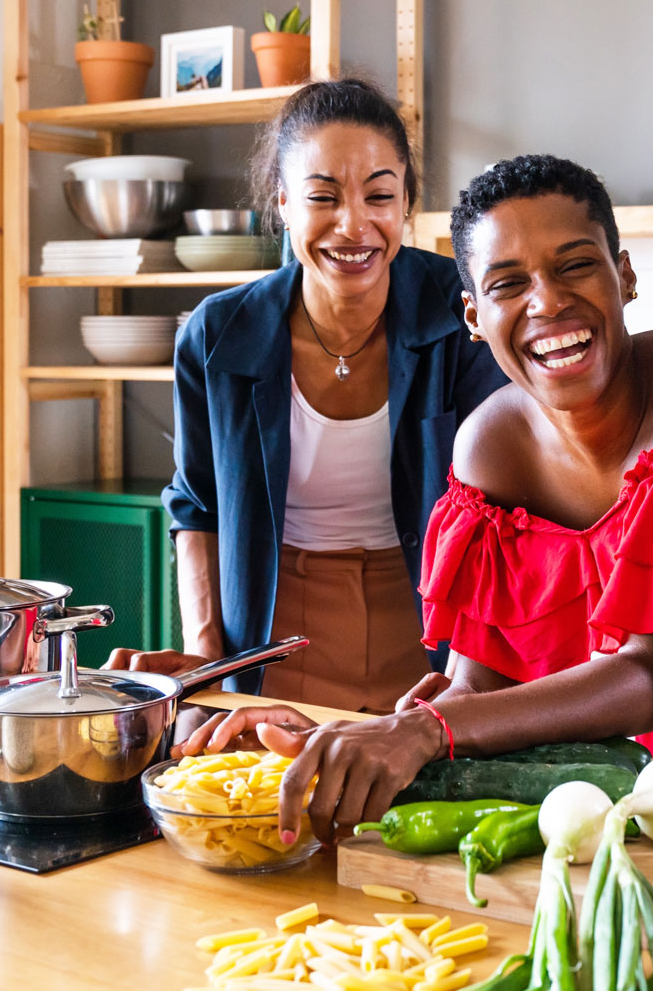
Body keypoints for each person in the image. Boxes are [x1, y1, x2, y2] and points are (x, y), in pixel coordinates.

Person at [186, 155, 653, 841]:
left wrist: (426, 731)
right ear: (472, 317)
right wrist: (335, 740)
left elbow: (652, 678)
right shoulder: (487, 449)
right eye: (506, 284)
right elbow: (478, 681)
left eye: (575, 266)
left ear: (623, 276)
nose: (548, 301)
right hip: (610, 773)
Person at [118, 79, 508, 713]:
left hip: (437, 636)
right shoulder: (217, 336)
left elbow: (503, 508)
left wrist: (477, 676)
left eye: (379, 195)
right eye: (323, 197)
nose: (353, 225)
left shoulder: (461, 313)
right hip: (278, 639)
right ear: (283, 205)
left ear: (405, 201)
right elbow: (197, 508)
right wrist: (208, 663)